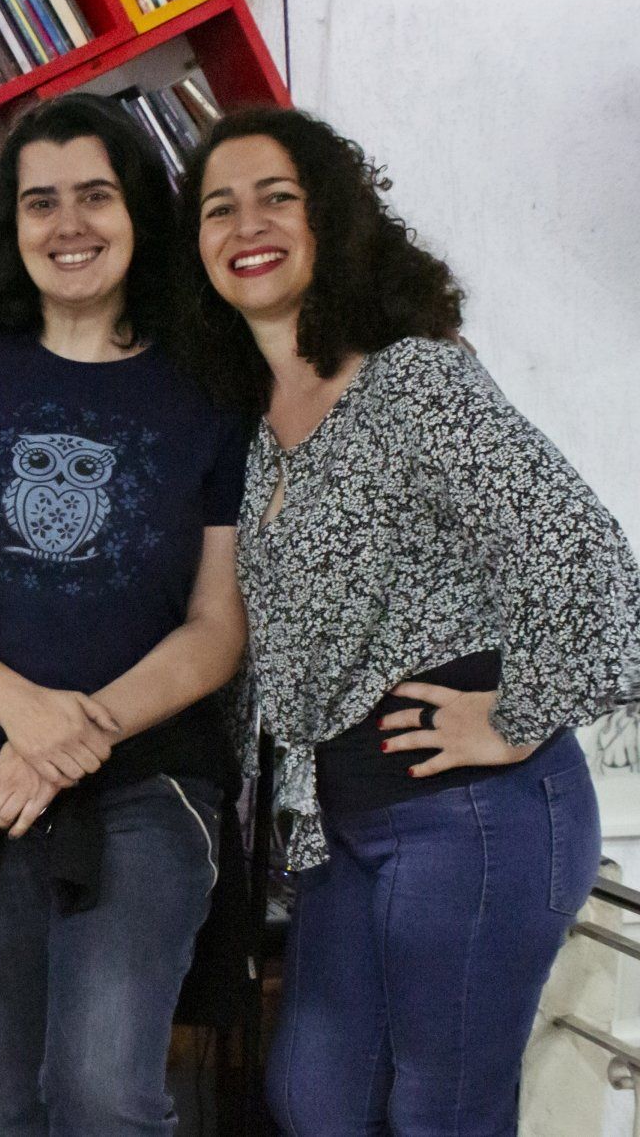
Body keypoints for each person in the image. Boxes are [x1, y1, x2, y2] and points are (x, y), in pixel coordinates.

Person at [180, 106, 638, 1135]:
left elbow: (593, 562)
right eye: (220, 207)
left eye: (277, 198)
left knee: (443, 1113)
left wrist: (510, 720)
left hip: (478, 811)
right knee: (317, 1095)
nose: (247, 224)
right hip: (343, 828)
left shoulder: (414, 379)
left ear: (330, 220)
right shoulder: (254, 421)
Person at [0, 93, 248, 1135]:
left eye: (95, 194)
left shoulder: (211, 383)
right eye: (40, 201)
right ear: (7, 224)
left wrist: (75, 734)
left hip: (148, 780)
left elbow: (217, 624)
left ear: (139, 210)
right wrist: (22, 714)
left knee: (100, 1090)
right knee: (4, 1101)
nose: (68, 225)